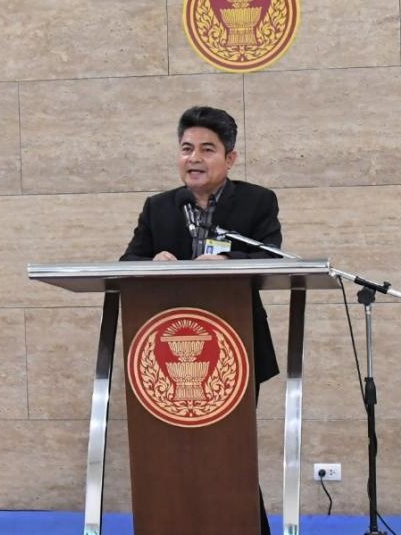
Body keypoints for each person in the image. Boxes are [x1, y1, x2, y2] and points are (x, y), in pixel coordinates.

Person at [120, 105, 281, 534]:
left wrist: (229, 261)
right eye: (186, 148)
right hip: (164, 353)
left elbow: (272, 257)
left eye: (207, 149)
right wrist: (152, 261)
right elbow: (127, 263)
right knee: (171, 452)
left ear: (230, 158)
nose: (194, 158)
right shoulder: (158, 208)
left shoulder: (258, 201)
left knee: (230, 450)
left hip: (235, 348)